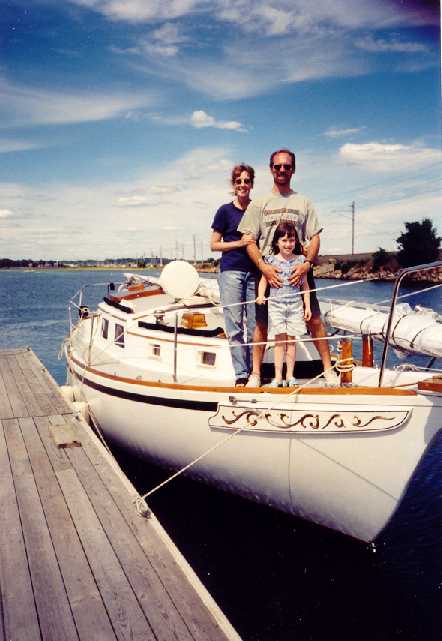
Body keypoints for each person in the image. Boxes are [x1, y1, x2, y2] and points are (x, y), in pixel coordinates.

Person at [237, 148, 338, 387]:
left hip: (298, 271)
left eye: (287, 166)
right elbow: (248, 239)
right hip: (268, 272)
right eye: (277, 166)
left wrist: (307, 264)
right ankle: (255, 374)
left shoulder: (304, 202)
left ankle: (328, 370)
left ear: (293, 169)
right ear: (271, 169)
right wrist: (263, 266)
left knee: (315, 320)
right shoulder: (259, 203)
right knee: (261, 324)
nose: (282, 170)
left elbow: (315, 237)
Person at [210, 164, 257, 386]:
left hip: (255, 274)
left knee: (256, 326)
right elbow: (214, 244)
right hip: (231, 272)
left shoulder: (257, 210)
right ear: (233, 184)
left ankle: (255, 372)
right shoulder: (224, 211)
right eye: (239, 181)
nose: (242, 185)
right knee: (235, 325)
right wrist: (240, 242)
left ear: (252, 184)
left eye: (246, 181)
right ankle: (241, 373)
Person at [257, 221, 311, 387]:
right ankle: (278, 377)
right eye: (284, 240)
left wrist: (307, 306)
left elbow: (305, 286)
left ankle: (290, 376)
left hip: (295, 306)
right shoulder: (270, 261)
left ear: (295, 241)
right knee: (279, 342)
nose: (288, 244)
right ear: (277, 242)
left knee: (291, 342)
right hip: (276, 306)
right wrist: (260, 295)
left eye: (292, 240)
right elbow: (263, 281)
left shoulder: (301, 261)